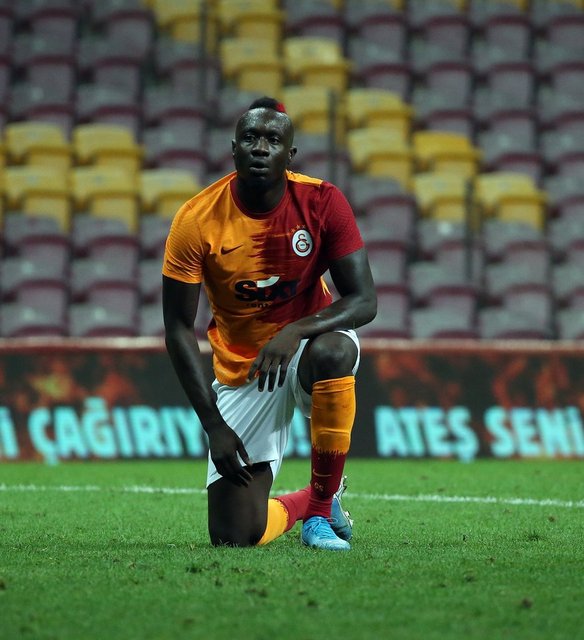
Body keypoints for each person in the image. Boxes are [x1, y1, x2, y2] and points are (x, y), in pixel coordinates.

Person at [162, 96, 377, 551]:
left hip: (306, 344)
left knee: (334, 351)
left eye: (273, 140)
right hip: (246, 368)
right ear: (233, 149)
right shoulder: (196, 220)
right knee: (234, 535)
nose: (260, 147)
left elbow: (364, 300)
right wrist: (213, 426)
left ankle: (319, 513)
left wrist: (295, 331)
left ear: (289, 154)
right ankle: (311, 501)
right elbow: (178, 328)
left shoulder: (322, 201)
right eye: (250, 138)